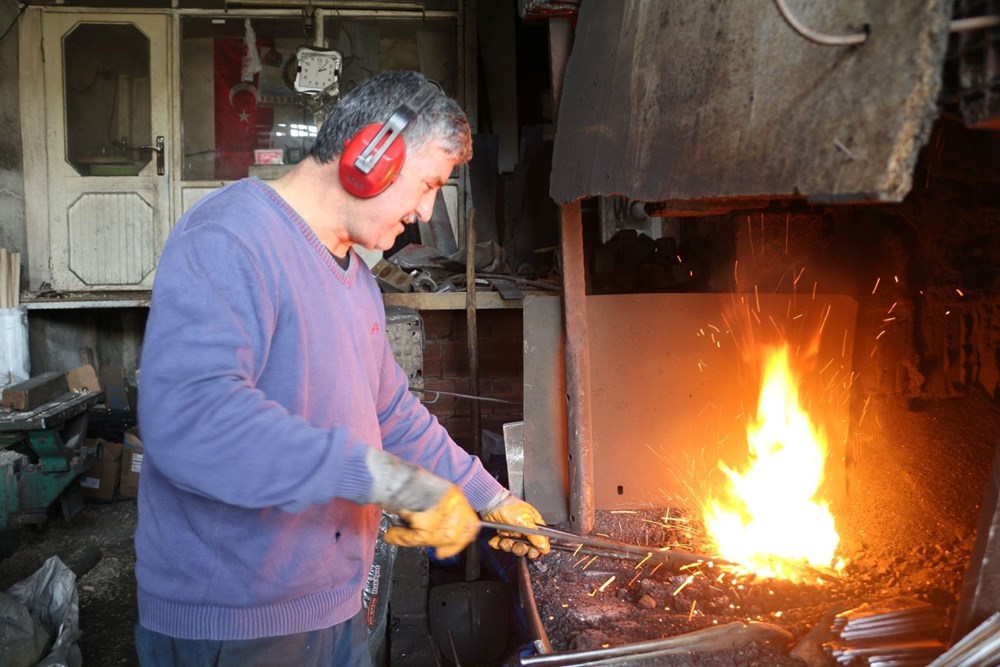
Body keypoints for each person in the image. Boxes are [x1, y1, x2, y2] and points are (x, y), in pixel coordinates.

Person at [133, 70, 550, 667]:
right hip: (239, 623)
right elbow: (193, 422)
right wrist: (393, 483)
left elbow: (391, 414)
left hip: (339, 606)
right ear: (369, 155)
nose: (426, 210)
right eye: (428, 184)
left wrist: (488, 495)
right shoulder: (229, 239)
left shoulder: (357, 279)